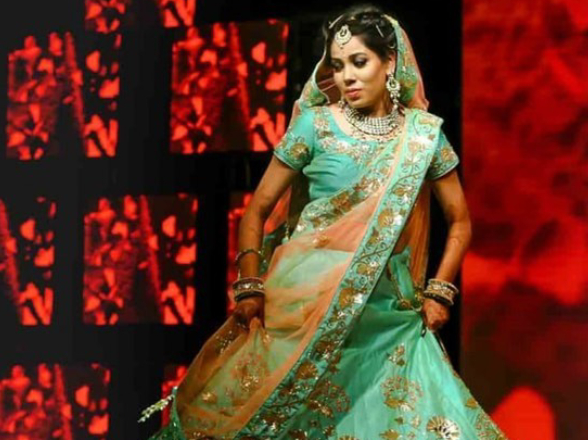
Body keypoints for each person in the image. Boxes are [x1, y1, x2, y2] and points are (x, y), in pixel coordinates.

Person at [141, 5, 508, 439]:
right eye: (338, 65)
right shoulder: (314, 126)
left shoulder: (423, 136)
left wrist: (440, 293)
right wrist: (250, 284)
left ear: (389, 62)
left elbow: (460, 221)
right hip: (299, 309)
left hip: (389, 318)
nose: (348, 76)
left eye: (359, 62)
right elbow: (257, 210)